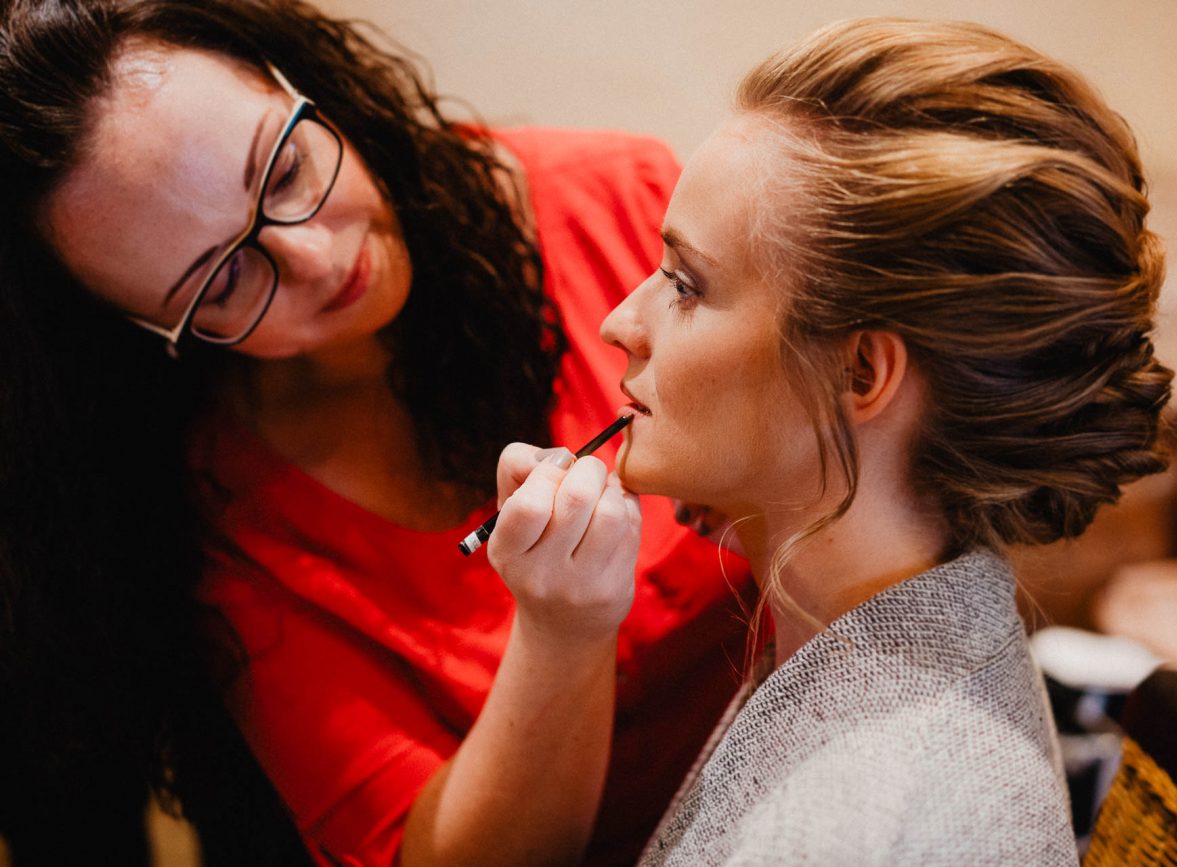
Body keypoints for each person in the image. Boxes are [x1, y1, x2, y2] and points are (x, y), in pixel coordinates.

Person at [0, 1, 750, 864]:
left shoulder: (616, 199)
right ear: (151, 336)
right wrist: (561, 632)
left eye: (282, 170)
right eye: (224, 280)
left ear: (305, 84)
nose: (318, 260)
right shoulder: (230, 532)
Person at [593, 17, 1172, 865]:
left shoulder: (845, 830)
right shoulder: (894, 645)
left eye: (685, 283)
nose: (619, 323)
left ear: (860, 373)